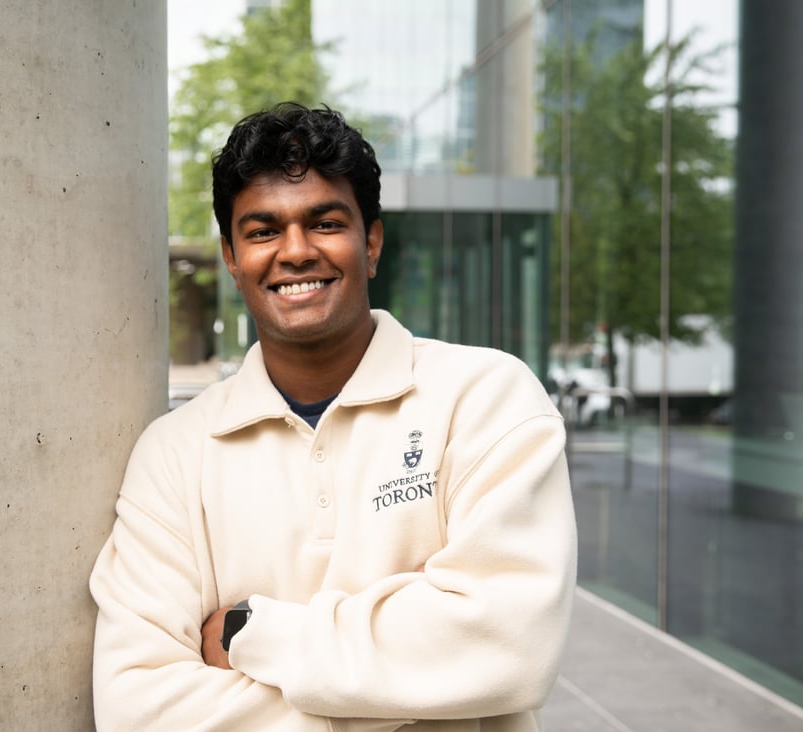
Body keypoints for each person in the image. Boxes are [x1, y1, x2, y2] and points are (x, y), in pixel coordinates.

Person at [89, 102, 577, 730]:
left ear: (370, 242)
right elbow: (138, 709)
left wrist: (251, 634)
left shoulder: (485, 398)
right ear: (233, 259)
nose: (294, 252)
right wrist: (415, 688)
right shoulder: (175, 452)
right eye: (263, 231)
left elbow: (512, 647)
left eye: (324, 222)